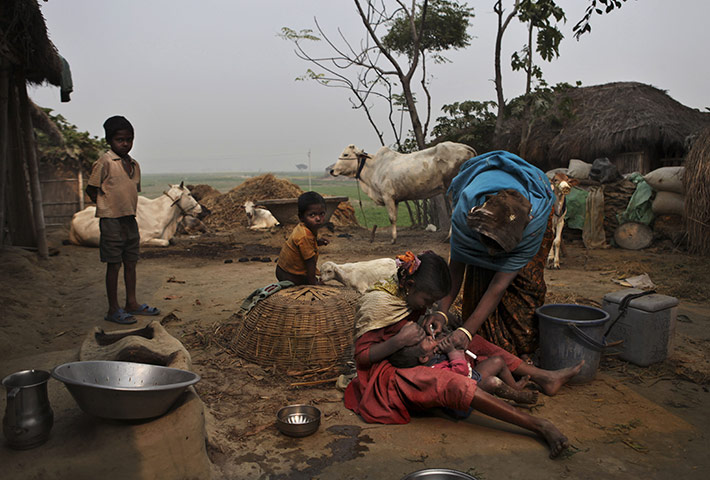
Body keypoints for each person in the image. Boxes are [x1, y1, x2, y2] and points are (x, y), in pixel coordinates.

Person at [344, 251, 580, 458]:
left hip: (418, 354)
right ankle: (538, 425)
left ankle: (544, 377)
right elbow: (363, 357)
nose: (428, 307)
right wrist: (398, 341)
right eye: (427, 302)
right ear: (409, 286)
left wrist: (429, 322)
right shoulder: (378, 303)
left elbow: (410, 321)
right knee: (450, 382)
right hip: (389, 373)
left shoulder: (408, 297)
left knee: (470, 341)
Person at [437, 150, 557, 358]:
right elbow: (456, 269)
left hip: (529, 218)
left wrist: (466, 331)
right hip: (480, 222)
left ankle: (522, 349)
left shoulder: (534, 226)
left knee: (526, 287)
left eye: (498, 248)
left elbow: (499, 284)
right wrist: (441, 312)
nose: (491, 254)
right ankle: (484, 336)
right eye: (488, 245)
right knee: (480, 276)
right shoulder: (465, 217)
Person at [86, 115, 160, 324]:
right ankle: (113, 309)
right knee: (113, 264)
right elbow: (91, 189)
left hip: (129, 219)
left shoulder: (134, 165)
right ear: (110, 140)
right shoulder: (105, 162)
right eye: (120, 140)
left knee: (131, 262)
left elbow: (130, 190)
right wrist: (106, 205)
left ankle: (132, 303)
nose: (125, 144)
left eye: (129, 139)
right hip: (111, 220)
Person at [388, 326, 538, 405]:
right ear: (423, 358)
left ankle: (515, 386)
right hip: (465, 390)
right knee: (492, 382)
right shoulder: (433, 371)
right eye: (428, 341)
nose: (430, 337)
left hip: (470, 376)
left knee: (497, 361)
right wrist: (453, 352)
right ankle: (517, 396)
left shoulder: (431, 356)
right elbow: (460, 374)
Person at [275, 191, 330, 285]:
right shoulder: (304, 236)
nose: (318, 218)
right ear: (301, 217)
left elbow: (303, 245)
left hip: (283, 269)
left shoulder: (304, 228)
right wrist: (313, 283)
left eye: (322, 214)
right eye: (312, 215)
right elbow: (310, 261)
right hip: (290, 275)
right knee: (317, 283)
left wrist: (316, 242)